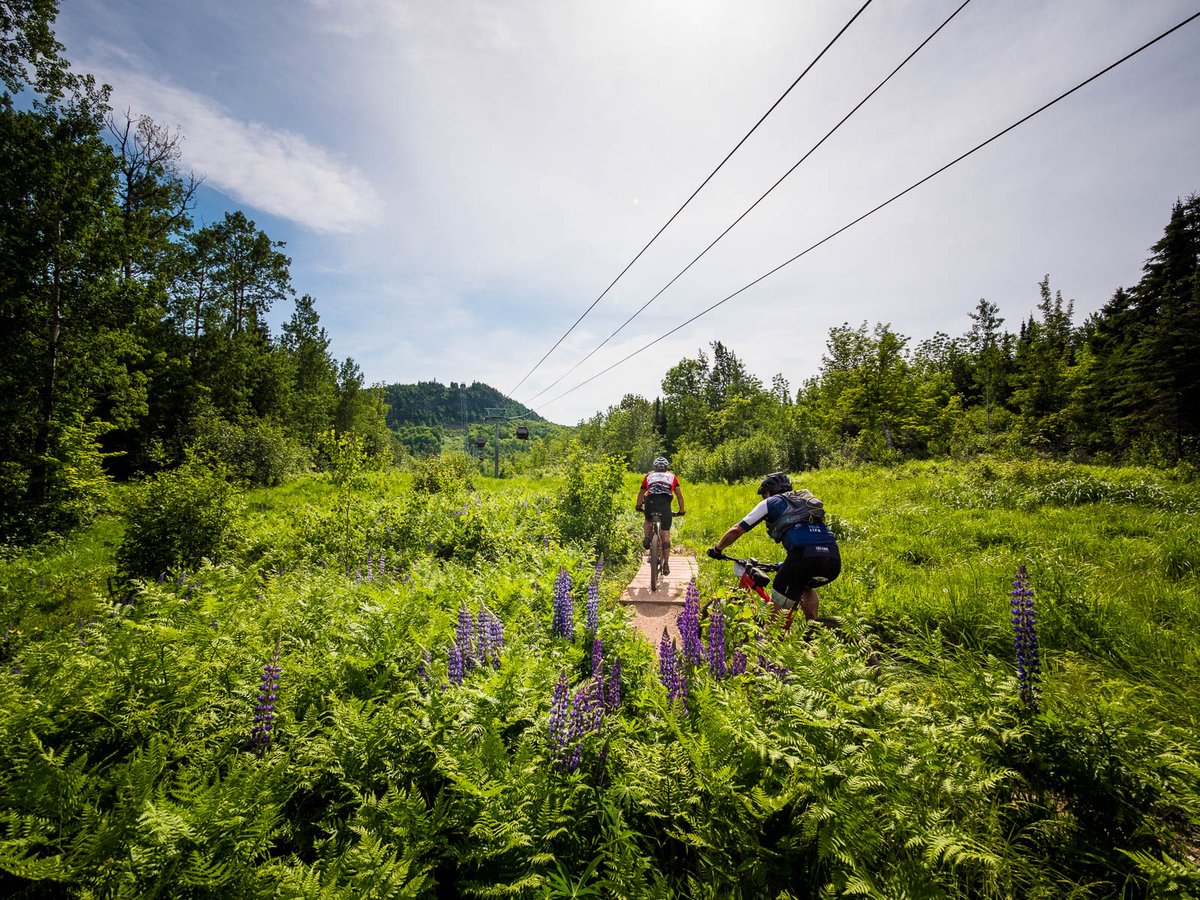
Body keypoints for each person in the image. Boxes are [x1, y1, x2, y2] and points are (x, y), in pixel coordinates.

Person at [707, 471, 839, 620]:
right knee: (806, 587)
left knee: (774, 620)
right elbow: (810, 537)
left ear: (768, 492)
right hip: (832, 559)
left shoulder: (771, 502)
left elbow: (737, 529)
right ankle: (812, 631)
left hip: (802, 558)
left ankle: (771, 639)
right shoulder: (804, 500)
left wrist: (717, 549)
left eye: (764, 494)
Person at [635, 456, 685, 575]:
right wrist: (681, 510)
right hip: (665, 504)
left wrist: (638, 506)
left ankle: (647, 537)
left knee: (648, 519)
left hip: (650, 502)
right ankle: (666, 564)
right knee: (666, 534)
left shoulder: (649, 476)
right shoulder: (672, 476)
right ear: (666, 468)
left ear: (655, 467)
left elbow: (641, 493)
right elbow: (679, 496)